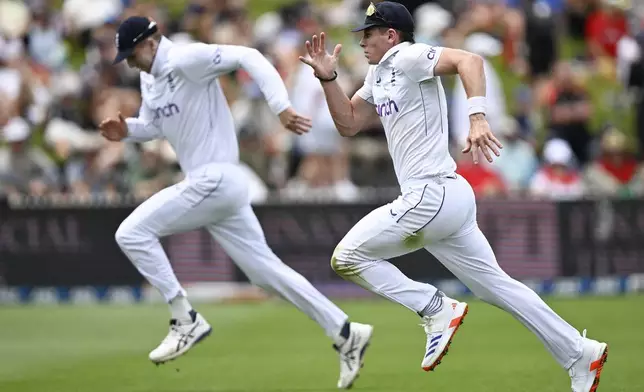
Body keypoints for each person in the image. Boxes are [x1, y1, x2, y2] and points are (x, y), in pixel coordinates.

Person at [299, 2, 608, 391]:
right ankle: (579, 352)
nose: (362, 41)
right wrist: (329, 80)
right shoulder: (379, 74)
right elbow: (348, 123)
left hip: (431, 193)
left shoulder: (407, 55)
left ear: (391, 35)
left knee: (347, 257)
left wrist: (477, 116)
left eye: (370, 33)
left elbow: (470, 60)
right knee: (499, 287)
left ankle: (434, 307)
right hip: (447, 198)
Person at [99, 16, 372, 389]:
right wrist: (127, 130)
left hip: (216, 178)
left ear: (149, 43)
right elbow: (155, 126)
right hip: (216, 188)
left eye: (131, 54)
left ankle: (185, 318)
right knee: (265, 273)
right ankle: (345, 332)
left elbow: (250, 56)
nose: (129, 63)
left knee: (131, 233)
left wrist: (280, 107)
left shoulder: (185, 59)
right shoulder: (149, 79)